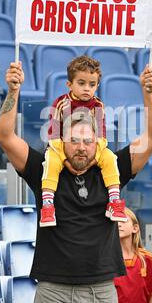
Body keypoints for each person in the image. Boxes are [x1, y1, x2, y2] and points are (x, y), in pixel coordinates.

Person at [0, 59, 152, 303]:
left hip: (101, 291)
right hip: (53, 292)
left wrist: (148, 93)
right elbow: (4, 136)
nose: (81, 146)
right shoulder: (44, 168)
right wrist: (13, 91)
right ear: (62, 140)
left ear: (97, 141)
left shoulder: (112, 168)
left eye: (87, 140)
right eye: (74, 140)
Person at [41, 56, 126, 228]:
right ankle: (48, 205)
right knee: (50, 161)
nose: (87, 89)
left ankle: (114, 201)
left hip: (90, 151)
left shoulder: (98, 106)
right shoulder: (61, 104)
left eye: (92, 84)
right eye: (81, 83)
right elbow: (54, 137)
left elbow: (101, 138)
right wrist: (64, 159)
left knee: (110, 157)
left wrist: (95, 159)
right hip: (61, 149)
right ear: (69, 84)